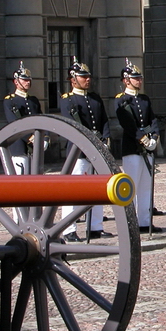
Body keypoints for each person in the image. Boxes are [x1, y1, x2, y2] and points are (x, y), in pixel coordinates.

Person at [59, 57, 112, 241]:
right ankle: (69, 229)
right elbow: (72, 125)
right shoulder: (68, 100)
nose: (87, 79)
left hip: (96, 150)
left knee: (97, 190)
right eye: (83, 77)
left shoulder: (95, 98)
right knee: (73, 191)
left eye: (88, 76)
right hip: (78, 151)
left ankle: (95, 226)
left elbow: (104, 120)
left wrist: (105, 139)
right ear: (73, 79)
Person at [115, 59, 162, 234]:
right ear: (126, 80)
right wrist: (142, 139)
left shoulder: (144, 99)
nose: (139, 81)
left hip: (148, 147)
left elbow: (153, 119)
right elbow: (127, 124)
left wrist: (155, 137)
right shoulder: (121, 100)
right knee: (132, 186)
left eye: (140, 78)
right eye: (135, 78)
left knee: (146, 187)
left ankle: (144, 221)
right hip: (132, 148)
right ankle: (130, 223)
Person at [3, 61, 43, 175]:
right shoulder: (10, 101)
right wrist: (31, 138)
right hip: (19, 145)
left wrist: (44, 137)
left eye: (28, 80)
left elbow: (42, 119)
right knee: (20, 176)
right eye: (24, 80)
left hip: (34, 146)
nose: (27, 82)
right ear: (16, 82)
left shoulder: (33, 100)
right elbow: (14, 123)